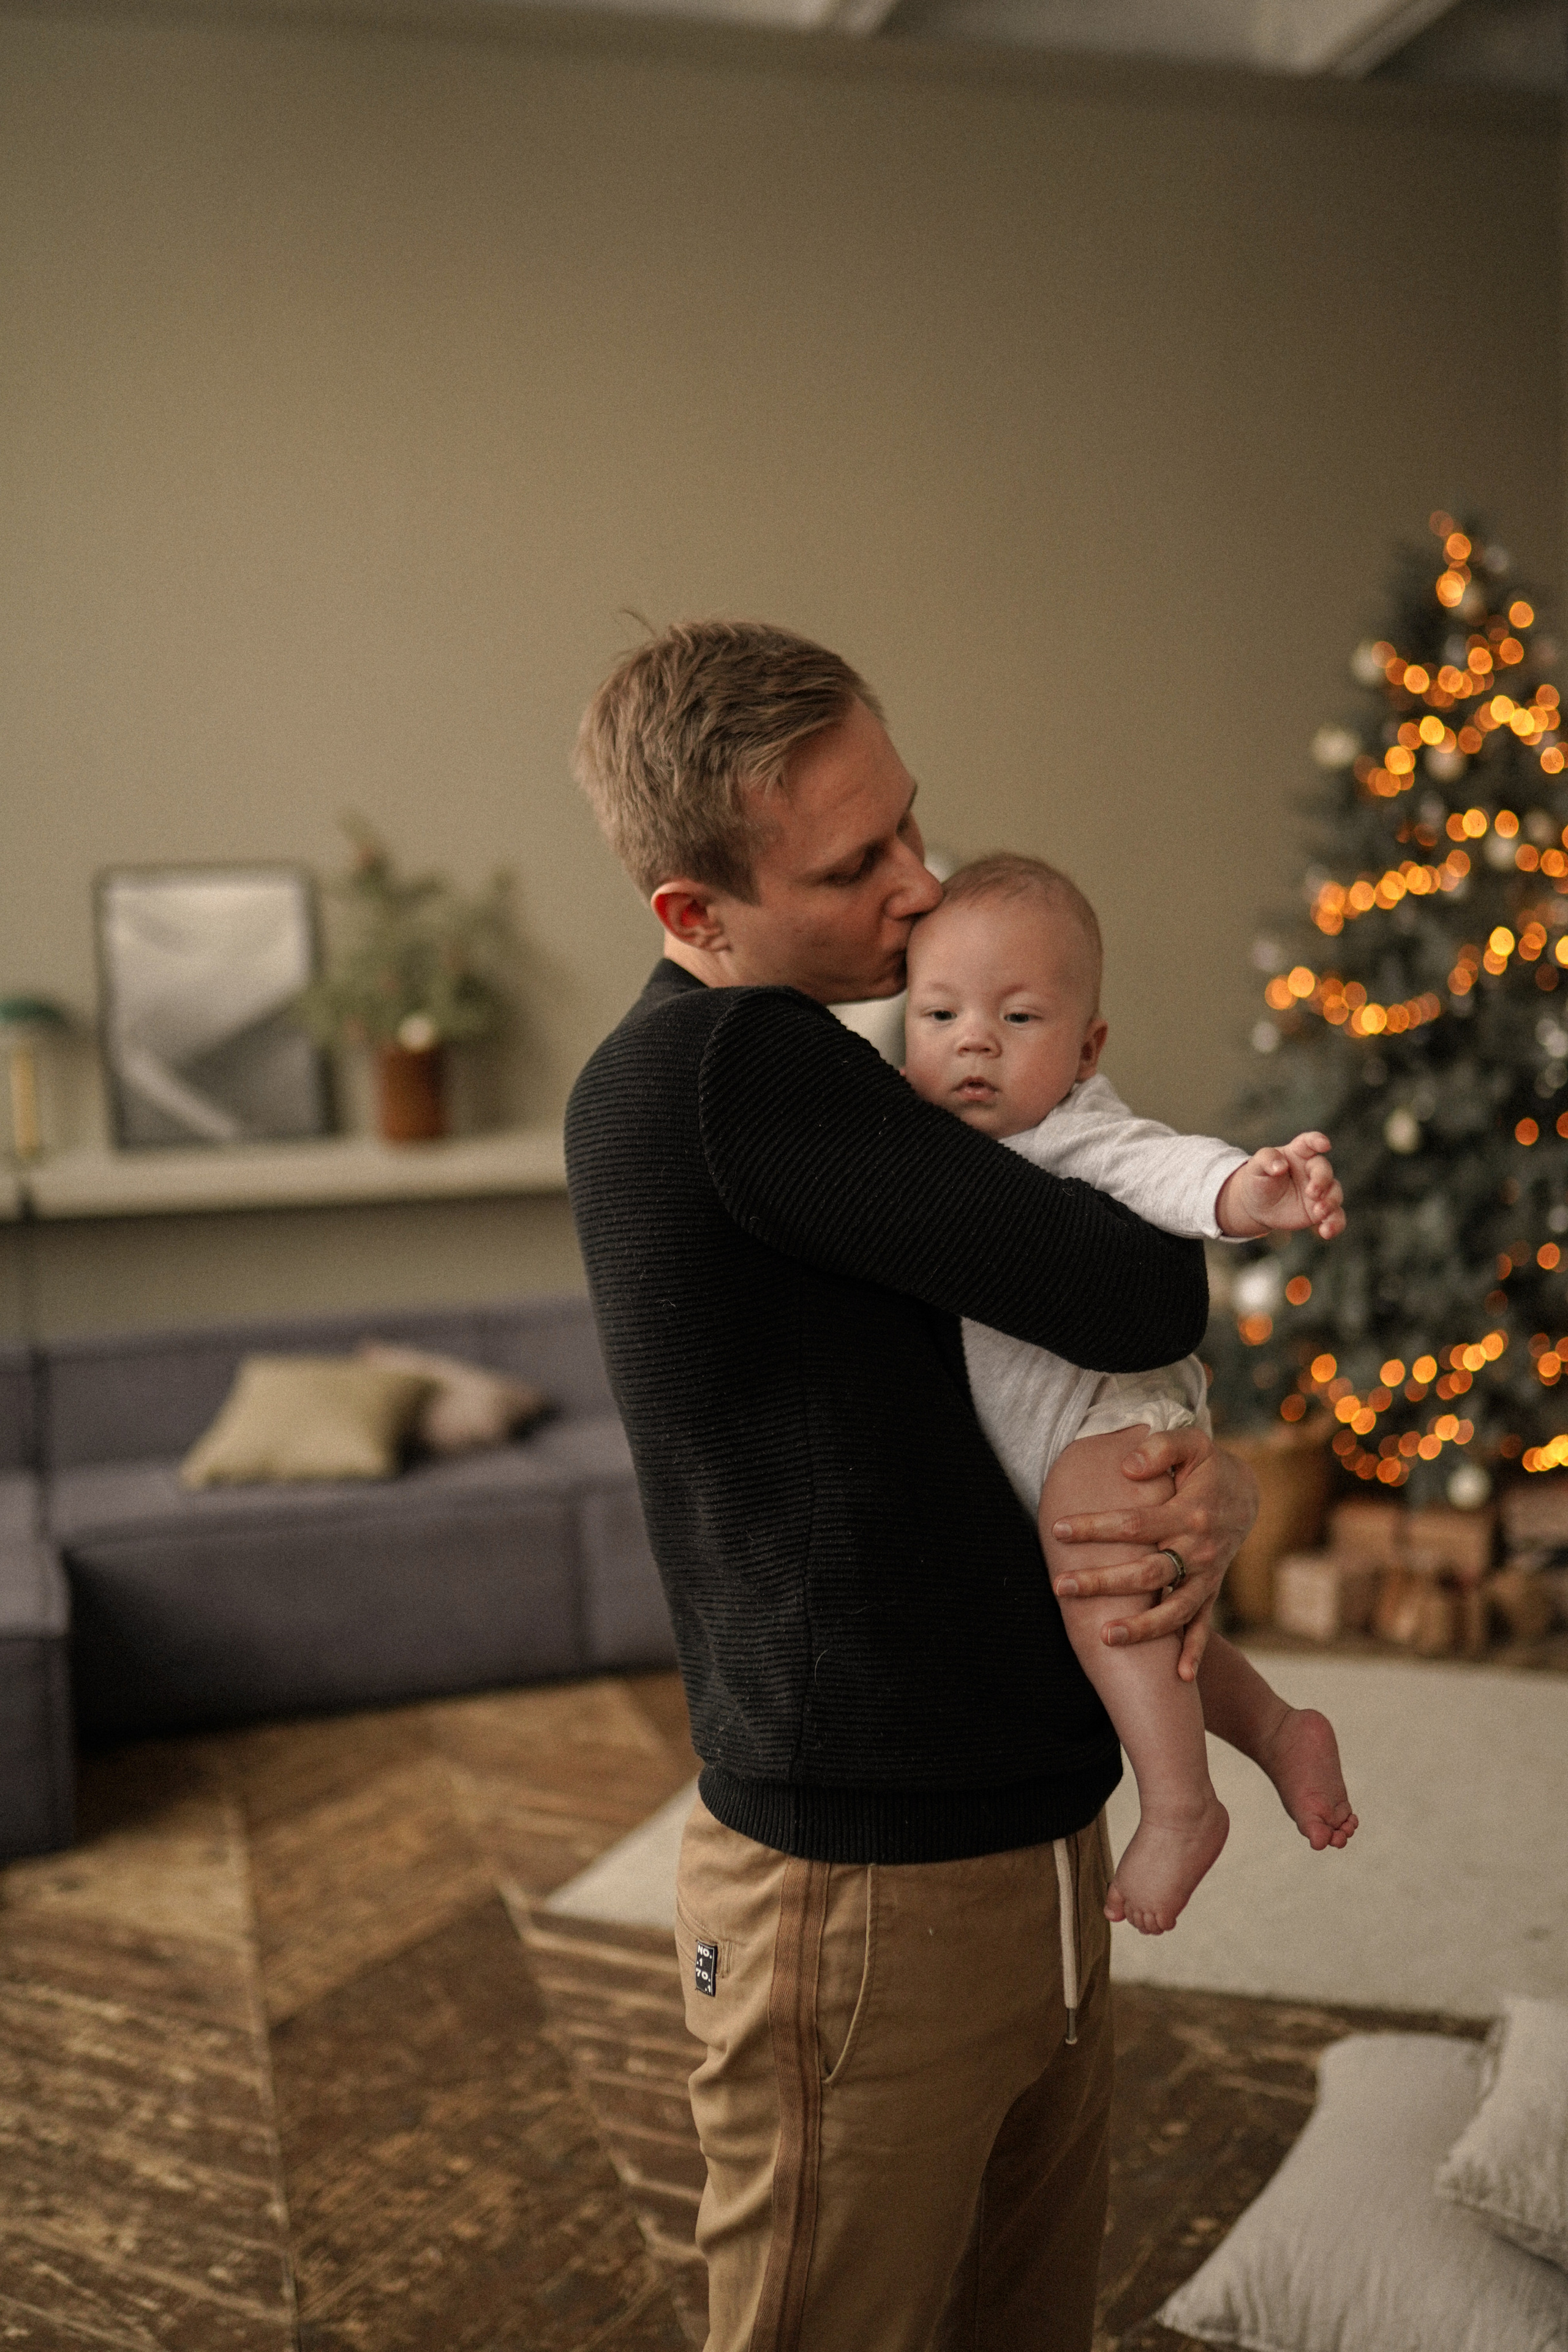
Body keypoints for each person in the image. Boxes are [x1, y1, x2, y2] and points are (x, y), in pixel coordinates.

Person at [565, 619, 1260, 2352]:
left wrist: (1190, 1480)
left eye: (911, 824)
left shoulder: (836, 1084)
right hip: (868, 1895)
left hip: (1015, 1833)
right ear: (690, 914)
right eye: (854, 861)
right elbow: (1137, 1288)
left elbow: (1016, 1389)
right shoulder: (739, 1067)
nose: (921, 884)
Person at [902, 854, 1357, 1942]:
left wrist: (1251, 1191)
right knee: (1137, 1622)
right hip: (1044, 1435)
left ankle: (1180, 1806)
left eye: (1019, 1015)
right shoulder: (905, 1136)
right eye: (940, 1012)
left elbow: (1166, 1170)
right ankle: (1281, 1730)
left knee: (1100, 1566)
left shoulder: (1072, 1126)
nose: (975, 1039)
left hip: (1111, 1415)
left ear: (1086, 1049)